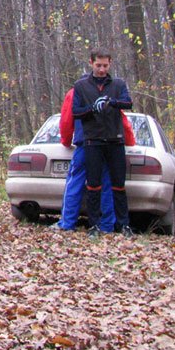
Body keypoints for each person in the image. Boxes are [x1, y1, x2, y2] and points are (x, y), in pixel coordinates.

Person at [51, 87, 136, 232]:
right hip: (108, 145)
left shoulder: (75, 92)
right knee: (107, 184)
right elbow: (122, 121)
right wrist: (129, 141)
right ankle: (107, 225)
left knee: (75, 182)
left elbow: (66, 120)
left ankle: (67, 223)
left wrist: (66, 140)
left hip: (85, 144)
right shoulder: (109, 93)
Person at [71, 48, 134, 238]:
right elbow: (76, 112)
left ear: (110, 64)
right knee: (93, 185)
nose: (101, 69)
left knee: (118, 185)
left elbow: (128, 103)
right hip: (93, 141)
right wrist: (93, 107)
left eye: (105, 65)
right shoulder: (81, 85)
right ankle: (94, 225)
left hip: (115, 140)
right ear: (91, 63)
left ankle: (123, 225)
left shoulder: (118, 83)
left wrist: (111, 102)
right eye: (98, 65)